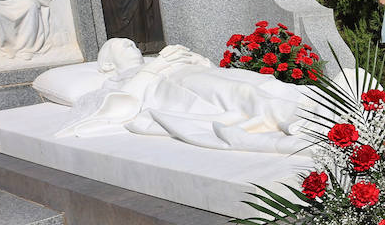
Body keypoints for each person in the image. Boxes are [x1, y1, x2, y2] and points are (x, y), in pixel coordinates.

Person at [57, 39, 317, 154]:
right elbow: (115, 106)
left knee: (260, 82)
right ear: (107, 63)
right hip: (174, 86)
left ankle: (311, 104)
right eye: (124, 45)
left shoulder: (159, 60)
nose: (133, 46)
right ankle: (297, 117)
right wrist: (154, 67)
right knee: (243, 93)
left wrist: (197, 59)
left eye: (134, 44)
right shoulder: (116, 79)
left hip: (188, 73)